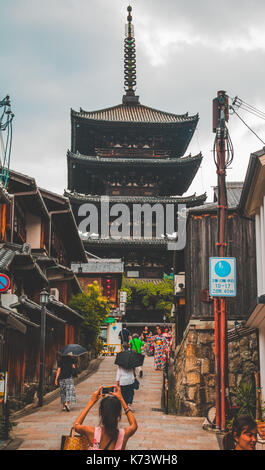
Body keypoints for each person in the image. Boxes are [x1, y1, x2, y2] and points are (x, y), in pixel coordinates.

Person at [73, 385, 138, 450]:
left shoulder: (90, 432)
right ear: (119, 414)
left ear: (100, 413)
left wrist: (91, 401)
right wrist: (121, 399)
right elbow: (134, 425)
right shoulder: (124, 434)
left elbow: (76, 425)